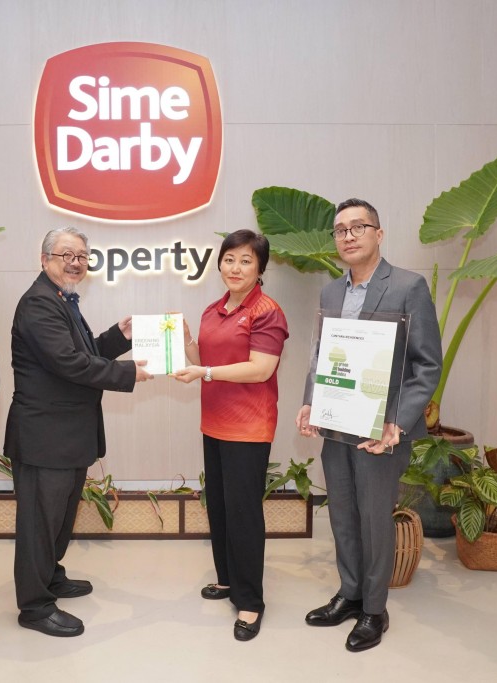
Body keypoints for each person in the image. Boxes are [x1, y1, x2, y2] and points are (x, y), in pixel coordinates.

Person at [296, 198, 442, 652]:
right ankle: (350, 593)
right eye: (340, 230)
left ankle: (375, 610)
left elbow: (426, 366)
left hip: (382, 432)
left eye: (359, 227)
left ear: (379, 234)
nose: (349, 235)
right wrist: (310, 402)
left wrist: (397, 421)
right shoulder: (330, 293)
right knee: (341, 512)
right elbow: (323, 355)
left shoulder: (407, 286)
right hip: (337, 422)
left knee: (375, 518)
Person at [6, 227, 152, 638]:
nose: (75, 262)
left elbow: (82, 353)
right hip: (44, 438)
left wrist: (117, 337)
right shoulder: (38, 303)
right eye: (65, 254)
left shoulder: (62, 300)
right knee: (40, 523)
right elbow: (69, 364)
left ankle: (50, 577)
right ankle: (34, 606)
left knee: (59, 518)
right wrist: (130, 373)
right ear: (44, 258)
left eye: (82, 256)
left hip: (67, 436)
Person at [172, 229, 289, 642]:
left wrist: (203, 371)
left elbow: (261, 368)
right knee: (219, 507)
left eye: (245, 261)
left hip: (249, 427)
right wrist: (184, 344)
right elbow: (207, 360)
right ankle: (226, 580)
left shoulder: (267, 311)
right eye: (228, 259)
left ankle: (251, 602)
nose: (235, 268)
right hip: (215, 423)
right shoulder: (213, 308)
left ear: (260, 268)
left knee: (243, 514)